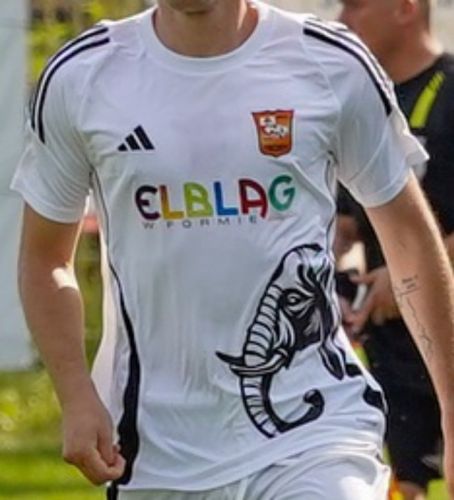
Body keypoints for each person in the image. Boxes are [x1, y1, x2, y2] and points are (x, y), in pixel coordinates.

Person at [11, 1, 454, 499]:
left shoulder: (330, 63)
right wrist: (75, 394)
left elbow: (409, 240)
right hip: (157, 451)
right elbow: (46, 259)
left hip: (314, 432)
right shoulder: (83, 76)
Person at [337, 0, 454, 499]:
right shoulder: (362, 104)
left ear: (406, 8)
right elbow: (344, 222)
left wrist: (410, 271)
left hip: (449, 332)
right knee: (401, 485)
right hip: (394, 347)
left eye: (356, 7)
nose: (343, 21)